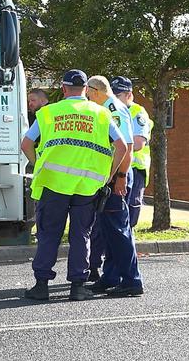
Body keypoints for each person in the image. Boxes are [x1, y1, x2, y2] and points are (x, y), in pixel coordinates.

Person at [21, 70, 127, 301]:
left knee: (49, 234)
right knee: (81, 235)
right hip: (87, 187)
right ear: (86, 90)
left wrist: (38, 164)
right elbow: (122, 147)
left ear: (63, 88)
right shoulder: (100, 114)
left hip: (53, 184)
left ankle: (41, 286)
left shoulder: (49, 112)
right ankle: (78, 287)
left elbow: (26, 143)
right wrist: (109, 176)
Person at [85, 75, 144, 297]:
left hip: (116, 178)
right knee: (108, 230)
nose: (86, 97)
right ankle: (111, 277)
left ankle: (132, 280)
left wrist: (119, 177)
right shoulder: (105, 108)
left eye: (88, 93)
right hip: (107, 177)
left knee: (119, 230)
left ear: (94, 90)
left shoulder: (113, 109)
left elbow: (127, 148)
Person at [111, 76, 153, 228]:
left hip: (135, 169)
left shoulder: (137, 112)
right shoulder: (112, 110)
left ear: (129, 95)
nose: (114, 99)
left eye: (118, 96)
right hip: (117, 166)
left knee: (129, 210)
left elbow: (137, 144)